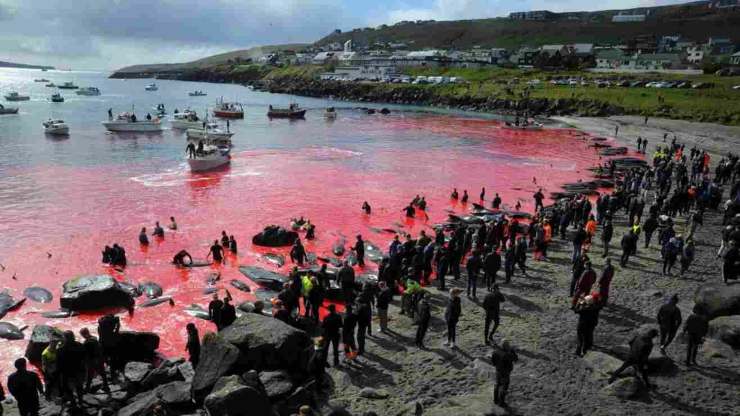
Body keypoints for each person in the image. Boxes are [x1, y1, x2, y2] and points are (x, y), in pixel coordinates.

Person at [57, 331, 85, 409]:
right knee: (79, 387)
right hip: (78, 371)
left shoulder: (60, 350)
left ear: (65, 338)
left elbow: (59, 365)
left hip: (67, 373)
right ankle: (81, 402)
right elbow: (84, 358)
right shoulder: (80, 346)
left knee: (68, 389)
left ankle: (73, 403)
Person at [79, 328, 109, 393]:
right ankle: (106, 386)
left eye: (82, 335)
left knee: (89, 375)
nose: (82, 336)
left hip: (92, 361)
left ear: (83, 334)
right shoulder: (94, 338)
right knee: (102, 373)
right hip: (100, 359)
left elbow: (86, 354)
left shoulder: (87, 343)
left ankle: (87, 388)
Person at [491, 341, 518, 407]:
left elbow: (493, 363)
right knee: (504, 387)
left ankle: (495, 400)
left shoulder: (495, 351)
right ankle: (501, 402)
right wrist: (512, 351)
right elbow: (515, 359)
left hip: (498, 371)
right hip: (505, 372)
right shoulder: (507, 354)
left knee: (497, 384)